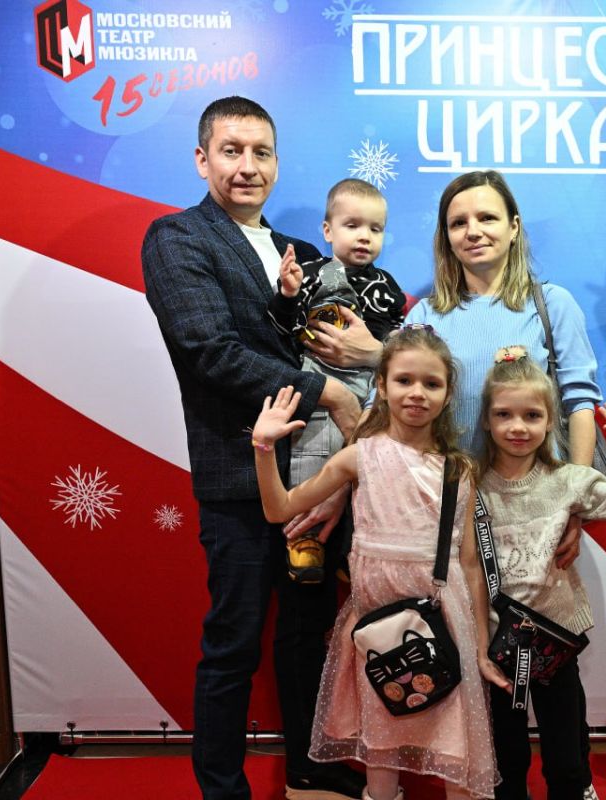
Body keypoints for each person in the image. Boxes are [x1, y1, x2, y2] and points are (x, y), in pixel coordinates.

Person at [141, 95, 367, 799]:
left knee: (307, 635)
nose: (247, 166)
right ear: (202, 159)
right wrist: (330, 394)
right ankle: (222, 789)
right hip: (239, 478)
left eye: (261, 152)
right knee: (233, 644)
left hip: (315, 482)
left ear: (277, 162)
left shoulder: (302, 254)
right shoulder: (177, 238)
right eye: (231, 151)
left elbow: (335, 345)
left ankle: (308, 761)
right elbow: (209, 350)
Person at [405, 170, 604, 797]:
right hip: (463, 517)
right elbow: (406, 408)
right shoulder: (426, 315)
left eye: (487, 217)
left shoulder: (551, 304)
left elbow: (580, 402)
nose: (474, 231)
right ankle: (505, 784)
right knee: (490, 660)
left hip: (537, 510)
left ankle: (572, 782)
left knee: (550, 656)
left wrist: (572, 504)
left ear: (514, 227)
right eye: (459, 222)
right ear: (445, 236)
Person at [251, 325, 504, 800]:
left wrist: (480, 646)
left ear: (449, 394)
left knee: (456, 746)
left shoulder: (459, 469)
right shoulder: (358, 457)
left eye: (432, 383)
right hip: (376, 625)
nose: (417, 393)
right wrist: (264, 448)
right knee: (381, 745)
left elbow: (470, 564)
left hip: (445, 619)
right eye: (404, 380)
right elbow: (279, 509)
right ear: (382, 386)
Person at [476, 346, 606, 800]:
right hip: (496, 643)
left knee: (565, 748)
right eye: (504, 415)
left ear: (550, 421)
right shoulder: (470, 484)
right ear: (486, 421)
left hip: (555, 637)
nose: (518, 427)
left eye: (532, 416)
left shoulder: (568, 481)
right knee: (506, 752)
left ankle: (575, 789)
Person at [267, 178, 406, 582]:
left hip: (370, 387)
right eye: (352, 225)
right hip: (319, 382)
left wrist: (381, 351)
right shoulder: (308, 274)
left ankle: (354, 545)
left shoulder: (387, 287)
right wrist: (287, 295)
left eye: (375, 229)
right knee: (315, 456)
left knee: (372, 464)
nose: (364, 236)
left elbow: (397, 342)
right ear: (328, 231)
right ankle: (305, 540)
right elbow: (278, 331)